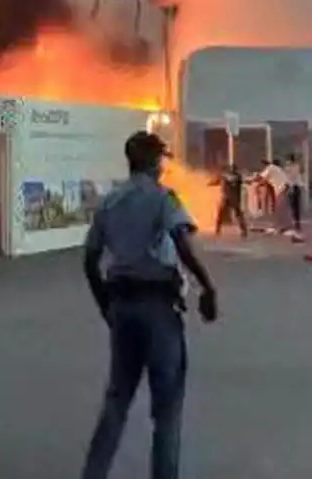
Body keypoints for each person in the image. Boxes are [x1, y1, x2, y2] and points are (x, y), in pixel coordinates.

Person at [81, 131, 219, 479]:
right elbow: (183, 246)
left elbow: (90, 260)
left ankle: (93, 473)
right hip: (159, 308)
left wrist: (105, 306)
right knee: (167, 407)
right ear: (154, 162)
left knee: (117, 400)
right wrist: (208, 288)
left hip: (122, 306)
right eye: (160, 160)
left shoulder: (109, 202)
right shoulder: (162, 199)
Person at [213, 164, 248, 237]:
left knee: (238, 215)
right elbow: (216, 182)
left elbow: (230, 179)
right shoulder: (229, 177)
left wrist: (222, 177)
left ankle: (244, 230)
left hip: (232, 198)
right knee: (221, 214)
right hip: (228, 198)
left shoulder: (237, 177)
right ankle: (217, 229)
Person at [283, 154, 304, 232]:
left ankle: (292, 222)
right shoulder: (297, 166)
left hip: (291, 187)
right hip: (297, 187)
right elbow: (298, 177)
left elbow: (287, 178)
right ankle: (297, 222)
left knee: (291, 206)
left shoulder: (288, 167)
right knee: (296, 206)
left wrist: (287, 187)